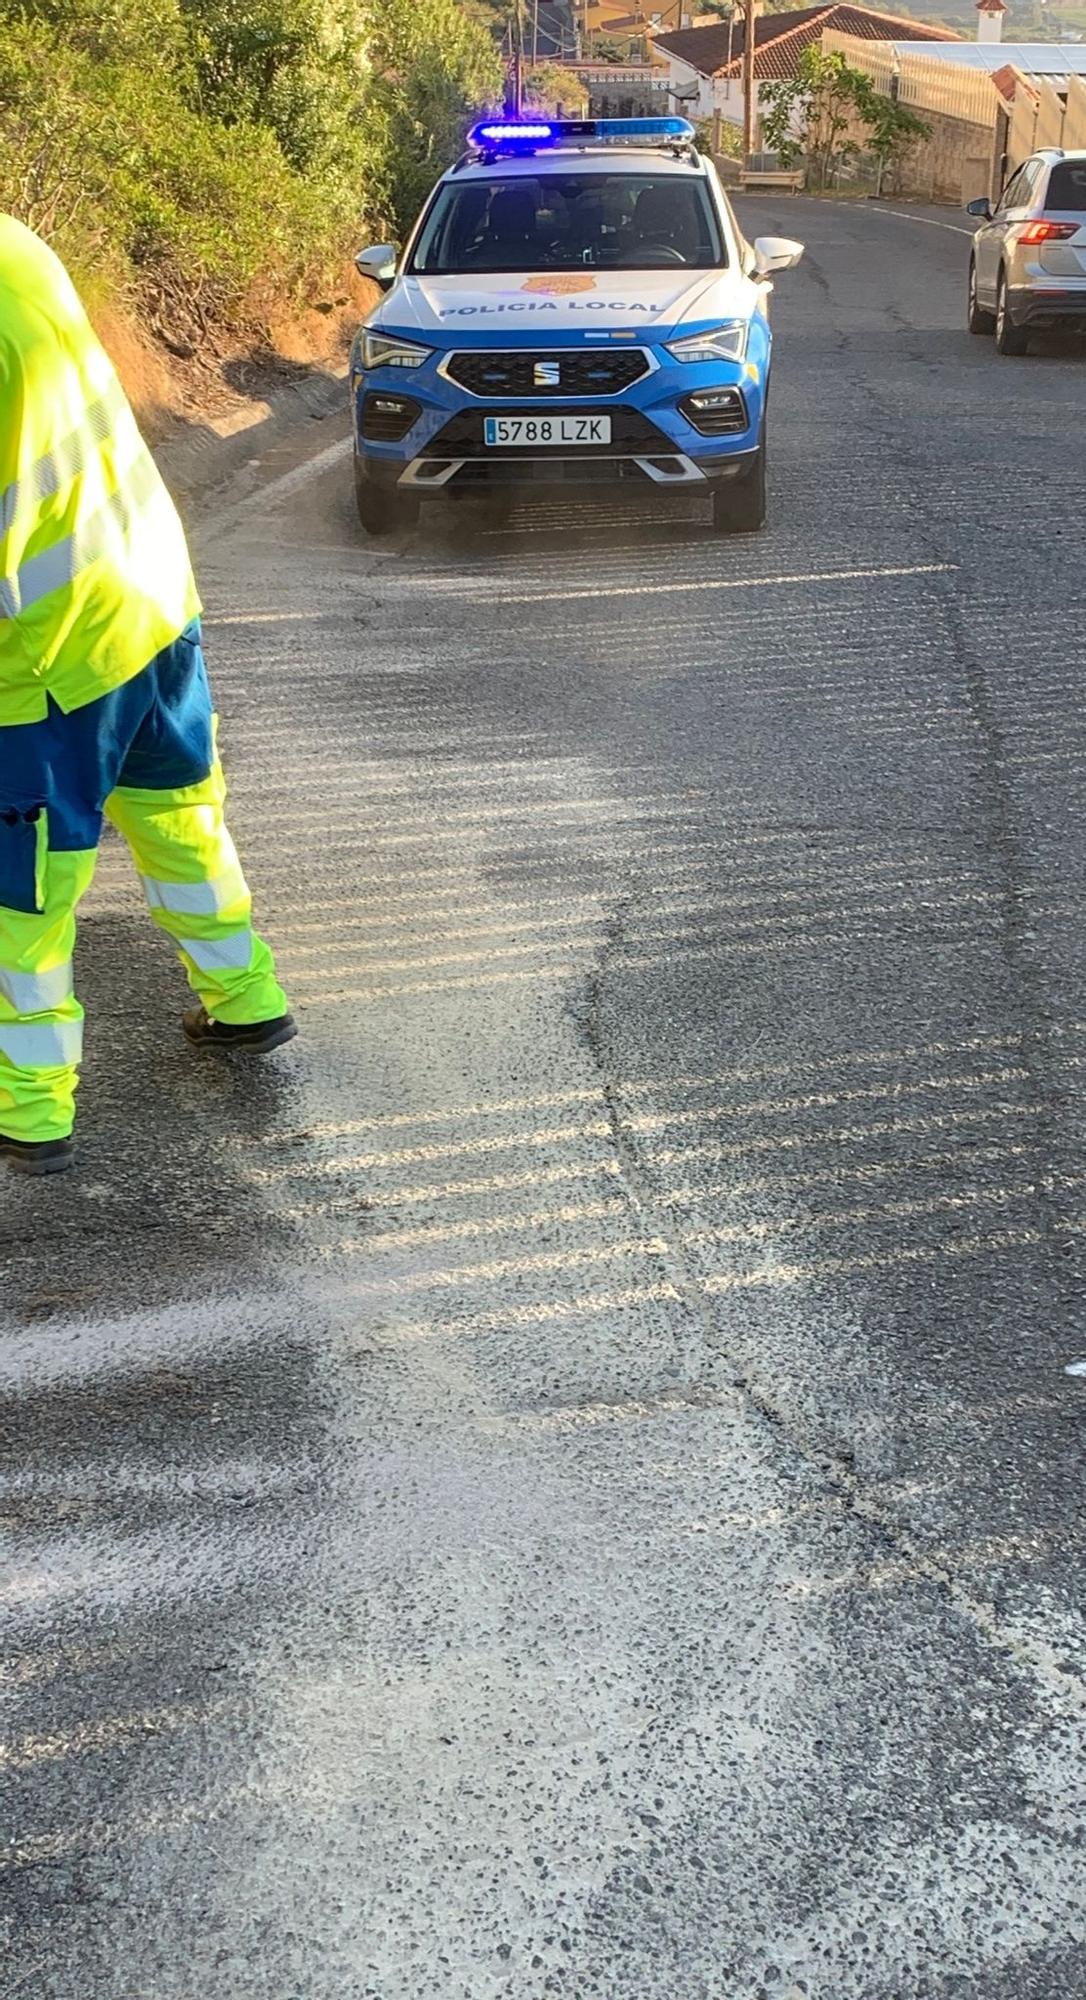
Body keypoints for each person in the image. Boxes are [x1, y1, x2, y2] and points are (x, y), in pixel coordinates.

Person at [0, 214, 294, 1177]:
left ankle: (30, 1111)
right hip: (149, 594)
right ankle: (246, 999)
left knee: (23, 901)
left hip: (47, 663)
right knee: (180, 822)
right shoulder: (15, 244)